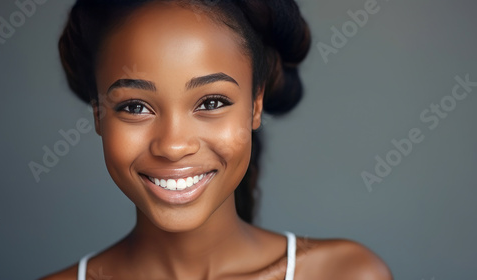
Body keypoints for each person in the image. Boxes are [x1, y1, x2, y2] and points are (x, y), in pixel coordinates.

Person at [42, 0, 392, 279]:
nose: (174, 145)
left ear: (256, 104)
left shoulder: (345, 274)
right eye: (135, 107)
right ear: (98, 114)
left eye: (211, 103)